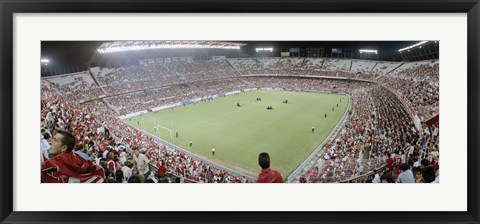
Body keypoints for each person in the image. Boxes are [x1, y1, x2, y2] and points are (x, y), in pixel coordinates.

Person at [41, 130, 105, 183]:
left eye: (55, 140)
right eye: (52, 138)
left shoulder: (52, 164)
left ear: (63, 148)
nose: (50, 142)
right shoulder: (78, 159)